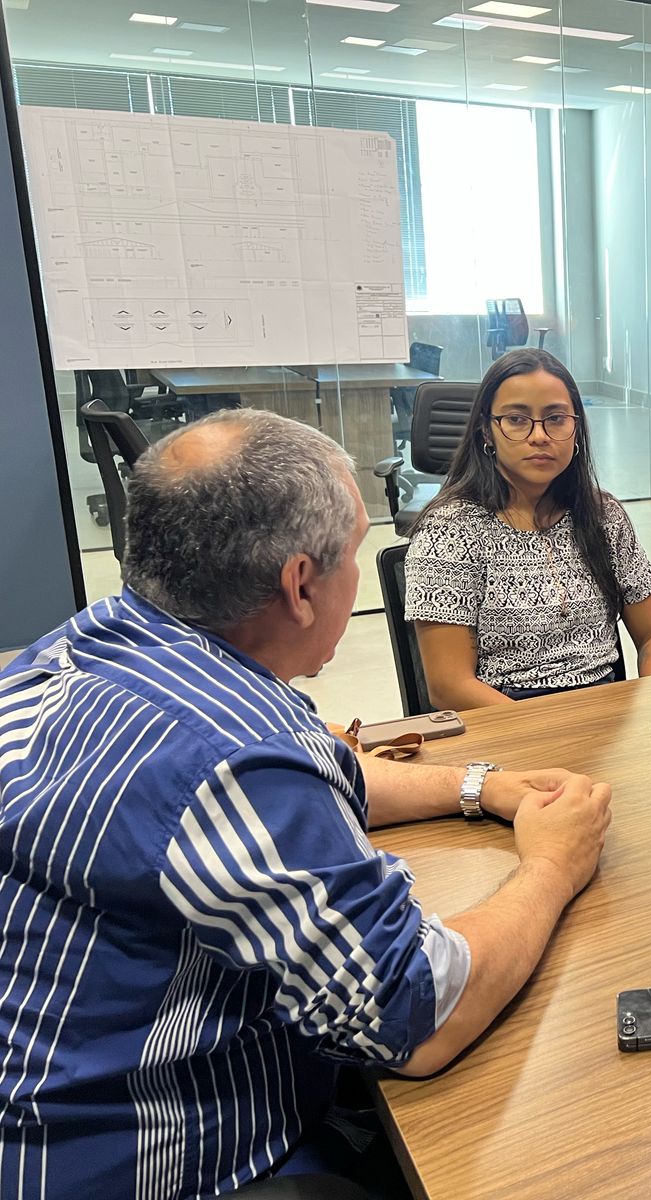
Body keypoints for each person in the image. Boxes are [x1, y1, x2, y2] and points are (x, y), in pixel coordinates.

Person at [0, 409, 613, 1198]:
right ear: (299, 586)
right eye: (352, 554)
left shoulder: (95, 646)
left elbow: (309, 773)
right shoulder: (234, 752)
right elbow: (418, 1013)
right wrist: (554, 864)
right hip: (144, 1162)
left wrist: (477, 785)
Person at [405, 348, 651, 708]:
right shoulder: (450, 531)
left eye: (556, 418)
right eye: (517, 419)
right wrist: (550, 731)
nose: (539, 436)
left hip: (607, 714)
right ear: (487, 430)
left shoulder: (603, 516)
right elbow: (448, 685)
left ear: (576, 429)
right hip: (508, 719)